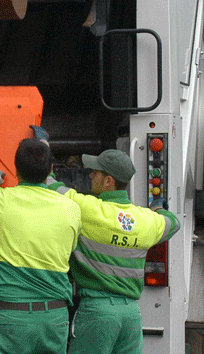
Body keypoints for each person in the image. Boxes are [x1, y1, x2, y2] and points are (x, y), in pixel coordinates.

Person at [38, 133, 181, 354]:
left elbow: (51, 187)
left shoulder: (88, 210)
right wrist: (158, 209)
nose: (90, 175)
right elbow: (173, 223)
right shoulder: (145, 221)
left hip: (98, 312)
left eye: (95, 172)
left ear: (108, 181)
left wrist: (42, 148)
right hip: (131, 315)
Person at [0, 137, 82, 354]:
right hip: (53, 317)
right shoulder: (71, 208)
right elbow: (70, 249)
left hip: (8, 317)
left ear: (16, 170)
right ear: (51, 170)